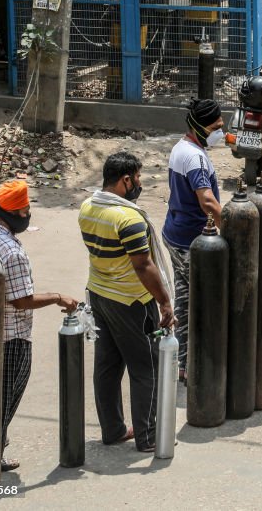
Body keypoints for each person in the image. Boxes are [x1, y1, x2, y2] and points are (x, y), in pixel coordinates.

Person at [0, 181, 78, 472]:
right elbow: (22, 300)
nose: (28, 215)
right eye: (25, 210)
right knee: (4, 398)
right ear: (12, 213)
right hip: (12, 337)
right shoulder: (12, 252)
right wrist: (57, 297)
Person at [79, 152, 176, 454]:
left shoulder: (87, 207)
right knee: (146, 367)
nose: (139, 184)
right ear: (125, 180)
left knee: (107, 367)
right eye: (138, 178)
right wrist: (164, 301)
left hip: (98, 294)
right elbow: (143, 266)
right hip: (131, 301)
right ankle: (148, 435)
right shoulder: (128, 218)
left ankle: (113, 429)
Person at [162, 97, 222, 377]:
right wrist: (230, 230)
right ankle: (200, 364)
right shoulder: (196, 158)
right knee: (204, 303)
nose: (220, 132)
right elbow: (207, 202)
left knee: (184, 301)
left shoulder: (180, 148)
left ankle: (182, 363)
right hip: (192, 242)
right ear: (200, 127)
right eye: (216, 127)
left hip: (175, 234)